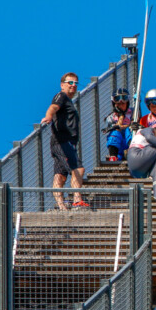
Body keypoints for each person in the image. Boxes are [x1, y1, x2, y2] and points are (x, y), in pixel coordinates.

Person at [41, 72, 87, 210]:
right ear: (62, 85)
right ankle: (77, 200)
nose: (73, 86)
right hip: (62, 142)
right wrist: (48, 116)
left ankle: (61, 206)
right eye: (70, 83)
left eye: (75, 83)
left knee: (60, 176)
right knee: (78, 169)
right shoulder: (61, 96)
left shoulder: (68, 100)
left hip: (62, 143)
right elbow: (53, 107)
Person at [104, 88, 133, 161]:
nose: (121, 106)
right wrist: (121, 116)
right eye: (119, 104)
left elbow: (133, 124)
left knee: (129, 130)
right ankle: (113, 156)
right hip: (119, 146)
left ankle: (131, 151)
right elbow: (117, 127)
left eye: (123, 103)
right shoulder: (111, 117)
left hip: (130, 143)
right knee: (114, 132)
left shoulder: (133, 113)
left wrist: (123, 126)